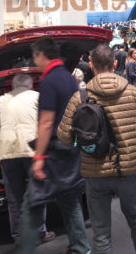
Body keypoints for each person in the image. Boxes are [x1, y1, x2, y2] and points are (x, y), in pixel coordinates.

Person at [58, 44, 136, 254]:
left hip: (95, 173)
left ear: (91, 65)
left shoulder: (79, 98)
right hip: (128, 171)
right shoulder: (132, 93)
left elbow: (64, 136)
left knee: (101, 235)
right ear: (115, 64)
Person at [22, 37, 90, 254]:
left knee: (31, 204)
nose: (34, 62)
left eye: (34, 57)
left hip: (53, 156)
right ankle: (81, 248)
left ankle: (25, 249)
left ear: (41, 54)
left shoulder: (49, 81)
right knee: (70, 202)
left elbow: (46, 122)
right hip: (70, 151)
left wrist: (38, 158)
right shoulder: (69, 79)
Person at [0, 74, 53, 246]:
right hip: (31, 149)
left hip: (8, 151)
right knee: (37, 193)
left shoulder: (3, 99)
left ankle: (18, 236)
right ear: (31, 85)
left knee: (14, 197)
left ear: (13, 86)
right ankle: (40, 232)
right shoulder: (37, 96)